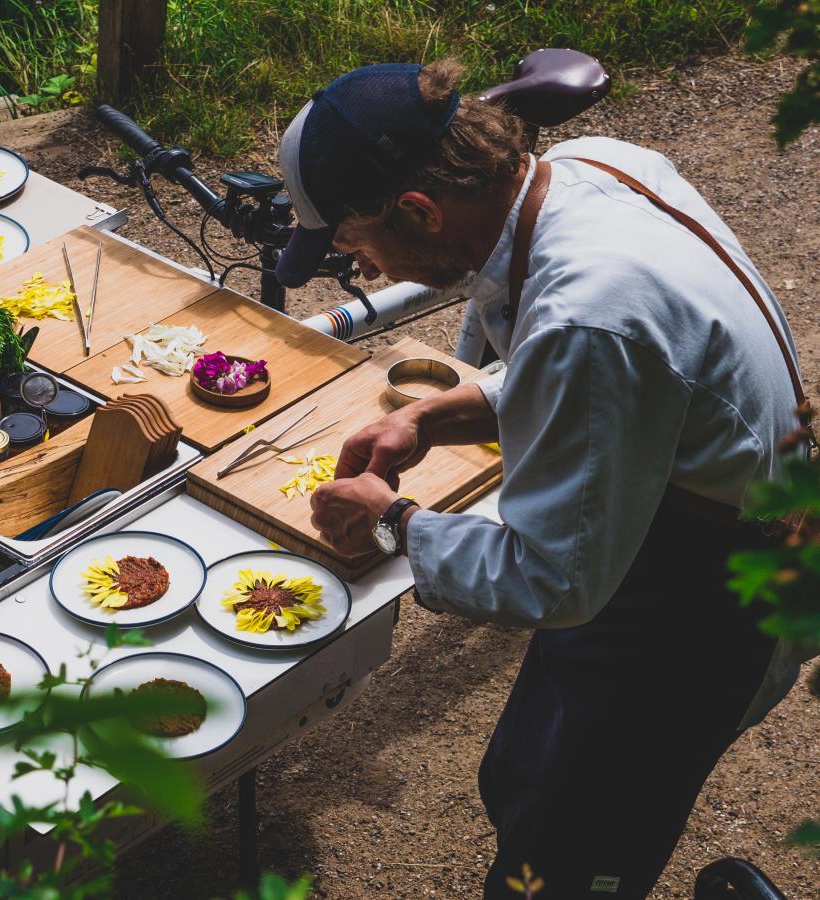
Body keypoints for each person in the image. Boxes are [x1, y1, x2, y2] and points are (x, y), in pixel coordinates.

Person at [276, 59, 814, 898]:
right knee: (531, 778)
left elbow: (553, 577)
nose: (371, 272)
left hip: (703, 603)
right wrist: (431, 413)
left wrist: (395, 524)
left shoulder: (592, 311)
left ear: (418, 209)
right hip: (657, 530)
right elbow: (607, 375)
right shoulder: (596, 168)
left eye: (356, 246)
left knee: (579, 850)